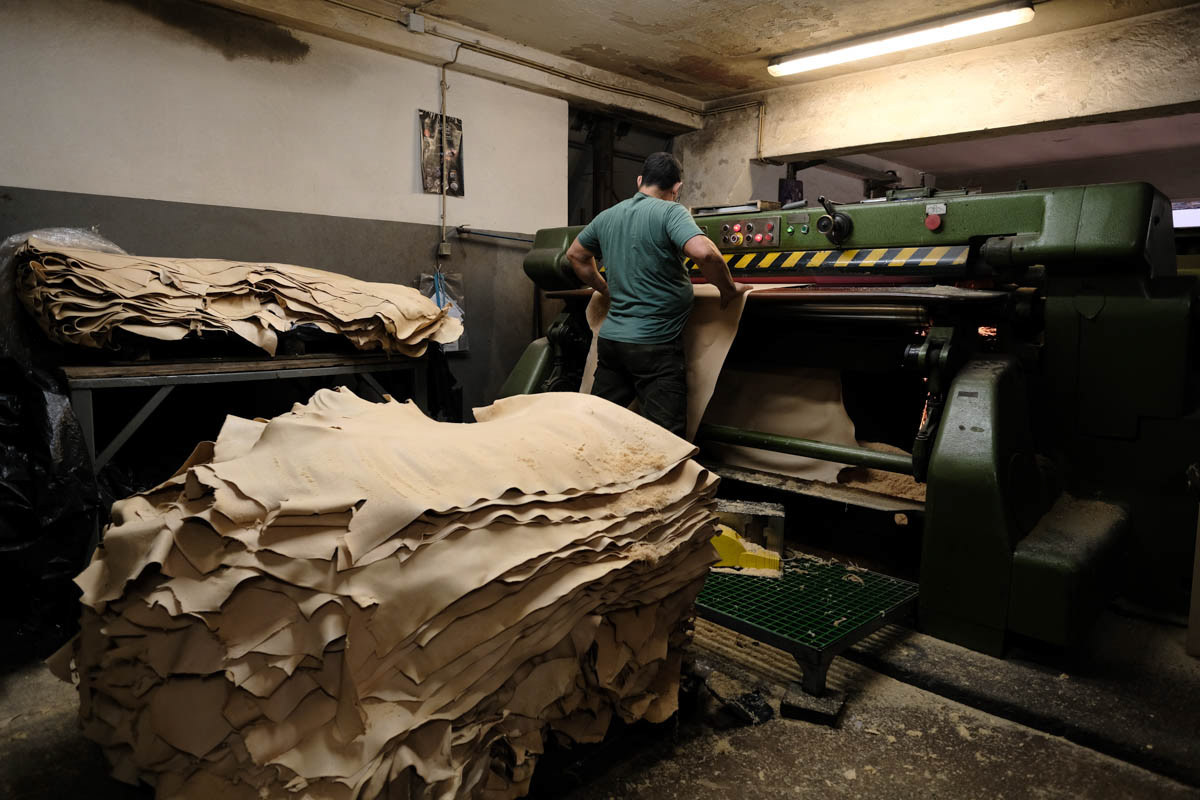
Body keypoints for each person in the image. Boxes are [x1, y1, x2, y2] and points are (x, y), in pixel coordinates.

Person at [565, 151, 747, 437]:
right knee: (666, 438)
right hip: (655, 346)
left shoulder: (608, 216)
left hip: (613, 342)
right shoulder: (671, 211)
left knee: (597, 424)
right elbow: (705, 253)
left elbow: (575, 255)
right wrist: (728, 290)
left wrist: (604, 289)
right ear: (677, 188)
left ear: (640, 180)